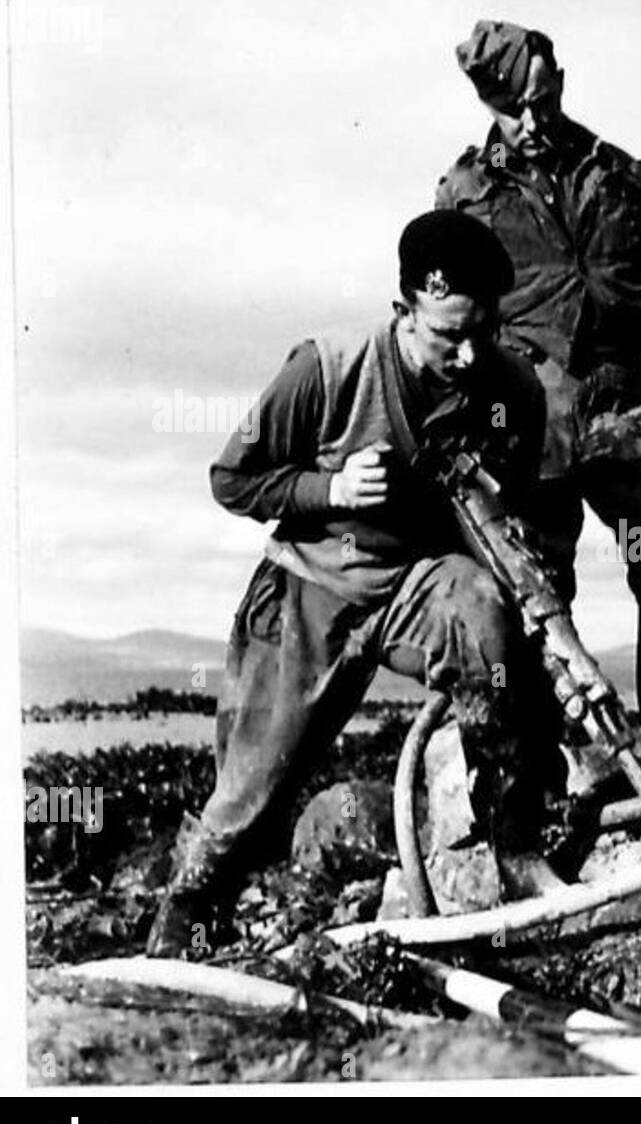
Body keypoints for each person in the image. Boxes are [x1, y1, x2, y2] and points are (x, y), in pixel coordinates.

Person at [147, 210, 567, 957]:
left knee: (481, 611)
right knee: (251, 796)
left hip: (416, 584)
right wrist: (329, 489)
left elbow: (519, 527)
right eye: (448, 335)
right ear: (404, 310)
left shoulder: (513, 391)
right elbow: (232, 479)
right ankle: (185, 935)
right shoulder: (328, 366)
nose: (470, 355)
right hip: (313, 585)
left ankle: (517, 850)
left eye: (484, 331)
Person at [436, 20, 641, 757]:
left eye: (540, 99)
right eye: (511, 110)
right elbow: (440, 320)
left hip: (627, 407)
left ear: (558, 79)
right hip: (528, 424)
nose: (531, 122)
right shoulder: (464, 196)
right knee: (536, 595)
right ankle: (561, 775)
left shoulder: (616, 176)